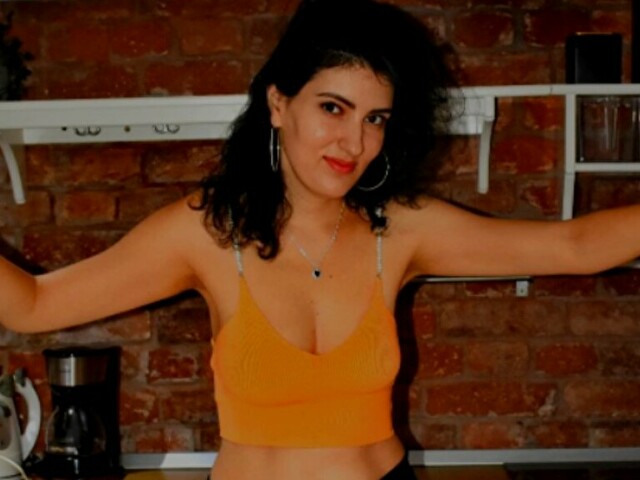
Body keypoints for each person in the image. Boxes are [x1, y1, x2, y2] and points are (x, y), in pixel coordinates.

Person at [1, 0, 640, 478]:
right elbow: (33, 303)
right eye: (332, 108)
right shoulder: (208, 232)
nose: (353, 143)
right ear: (279, 103)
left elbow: (575, 247)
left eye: (374, 118)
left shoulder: (401, 230)